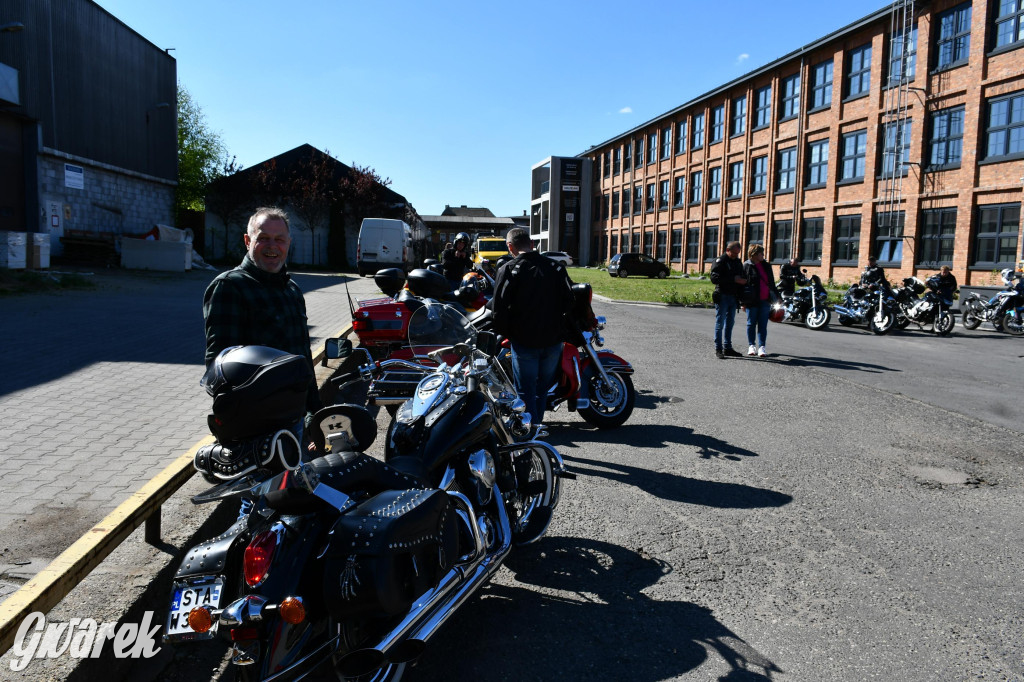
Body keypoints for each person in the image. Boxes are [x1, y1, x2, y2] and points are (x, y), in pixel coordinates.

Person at [203, 207, 322, 438]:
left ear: (289, 242)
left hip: (294, 420)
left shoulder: (292, 290)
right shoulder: (229, 287)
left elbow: (303, 357)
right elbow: (219, 367)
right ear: (248, 241)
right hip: (254, 427)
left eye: (279, 239)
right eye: (263, 238)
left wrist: (315, 409)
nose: (272, 246)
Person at [490, 227, 574, 428]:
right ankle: (536, 426)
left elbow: (498, 309)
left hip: (524, 340)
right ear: (532, 244)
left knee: (526, 390)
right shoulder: (556, 268)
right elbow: (569, 301)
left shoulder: (509, 269)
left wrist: (507, 334)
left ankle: (532, 431)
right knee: (542, 388)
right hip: (552, 341)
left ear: (510, 247)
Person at [709, 241, 747, 358]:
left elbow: (740, 277)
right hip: (722, 295)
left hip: (733, 296)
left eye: (738, 253)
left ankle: (728, 348)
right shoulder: (720, 261)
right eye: (734, 253)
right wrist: (733, 279)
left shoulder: (737, 262)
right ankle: (718, 349)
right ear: (727, 250)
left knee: (730, 323)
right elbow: (714, 278)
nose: (736, 256)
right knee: (720, 323)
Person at [741, 244, 780, 357]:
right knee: (751, 324)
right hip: (751, 300)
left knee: (763, 325)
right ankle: (751, 346)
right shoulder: (747, 265)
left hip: (765, 300)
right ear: (754, 254)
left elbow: (771, 283)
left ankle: (762, 347)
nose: (763, 255)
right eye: (761, 253)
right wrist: (742, 302)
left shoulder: (766, 266)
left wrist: (778, 298)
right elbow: (743, 286)